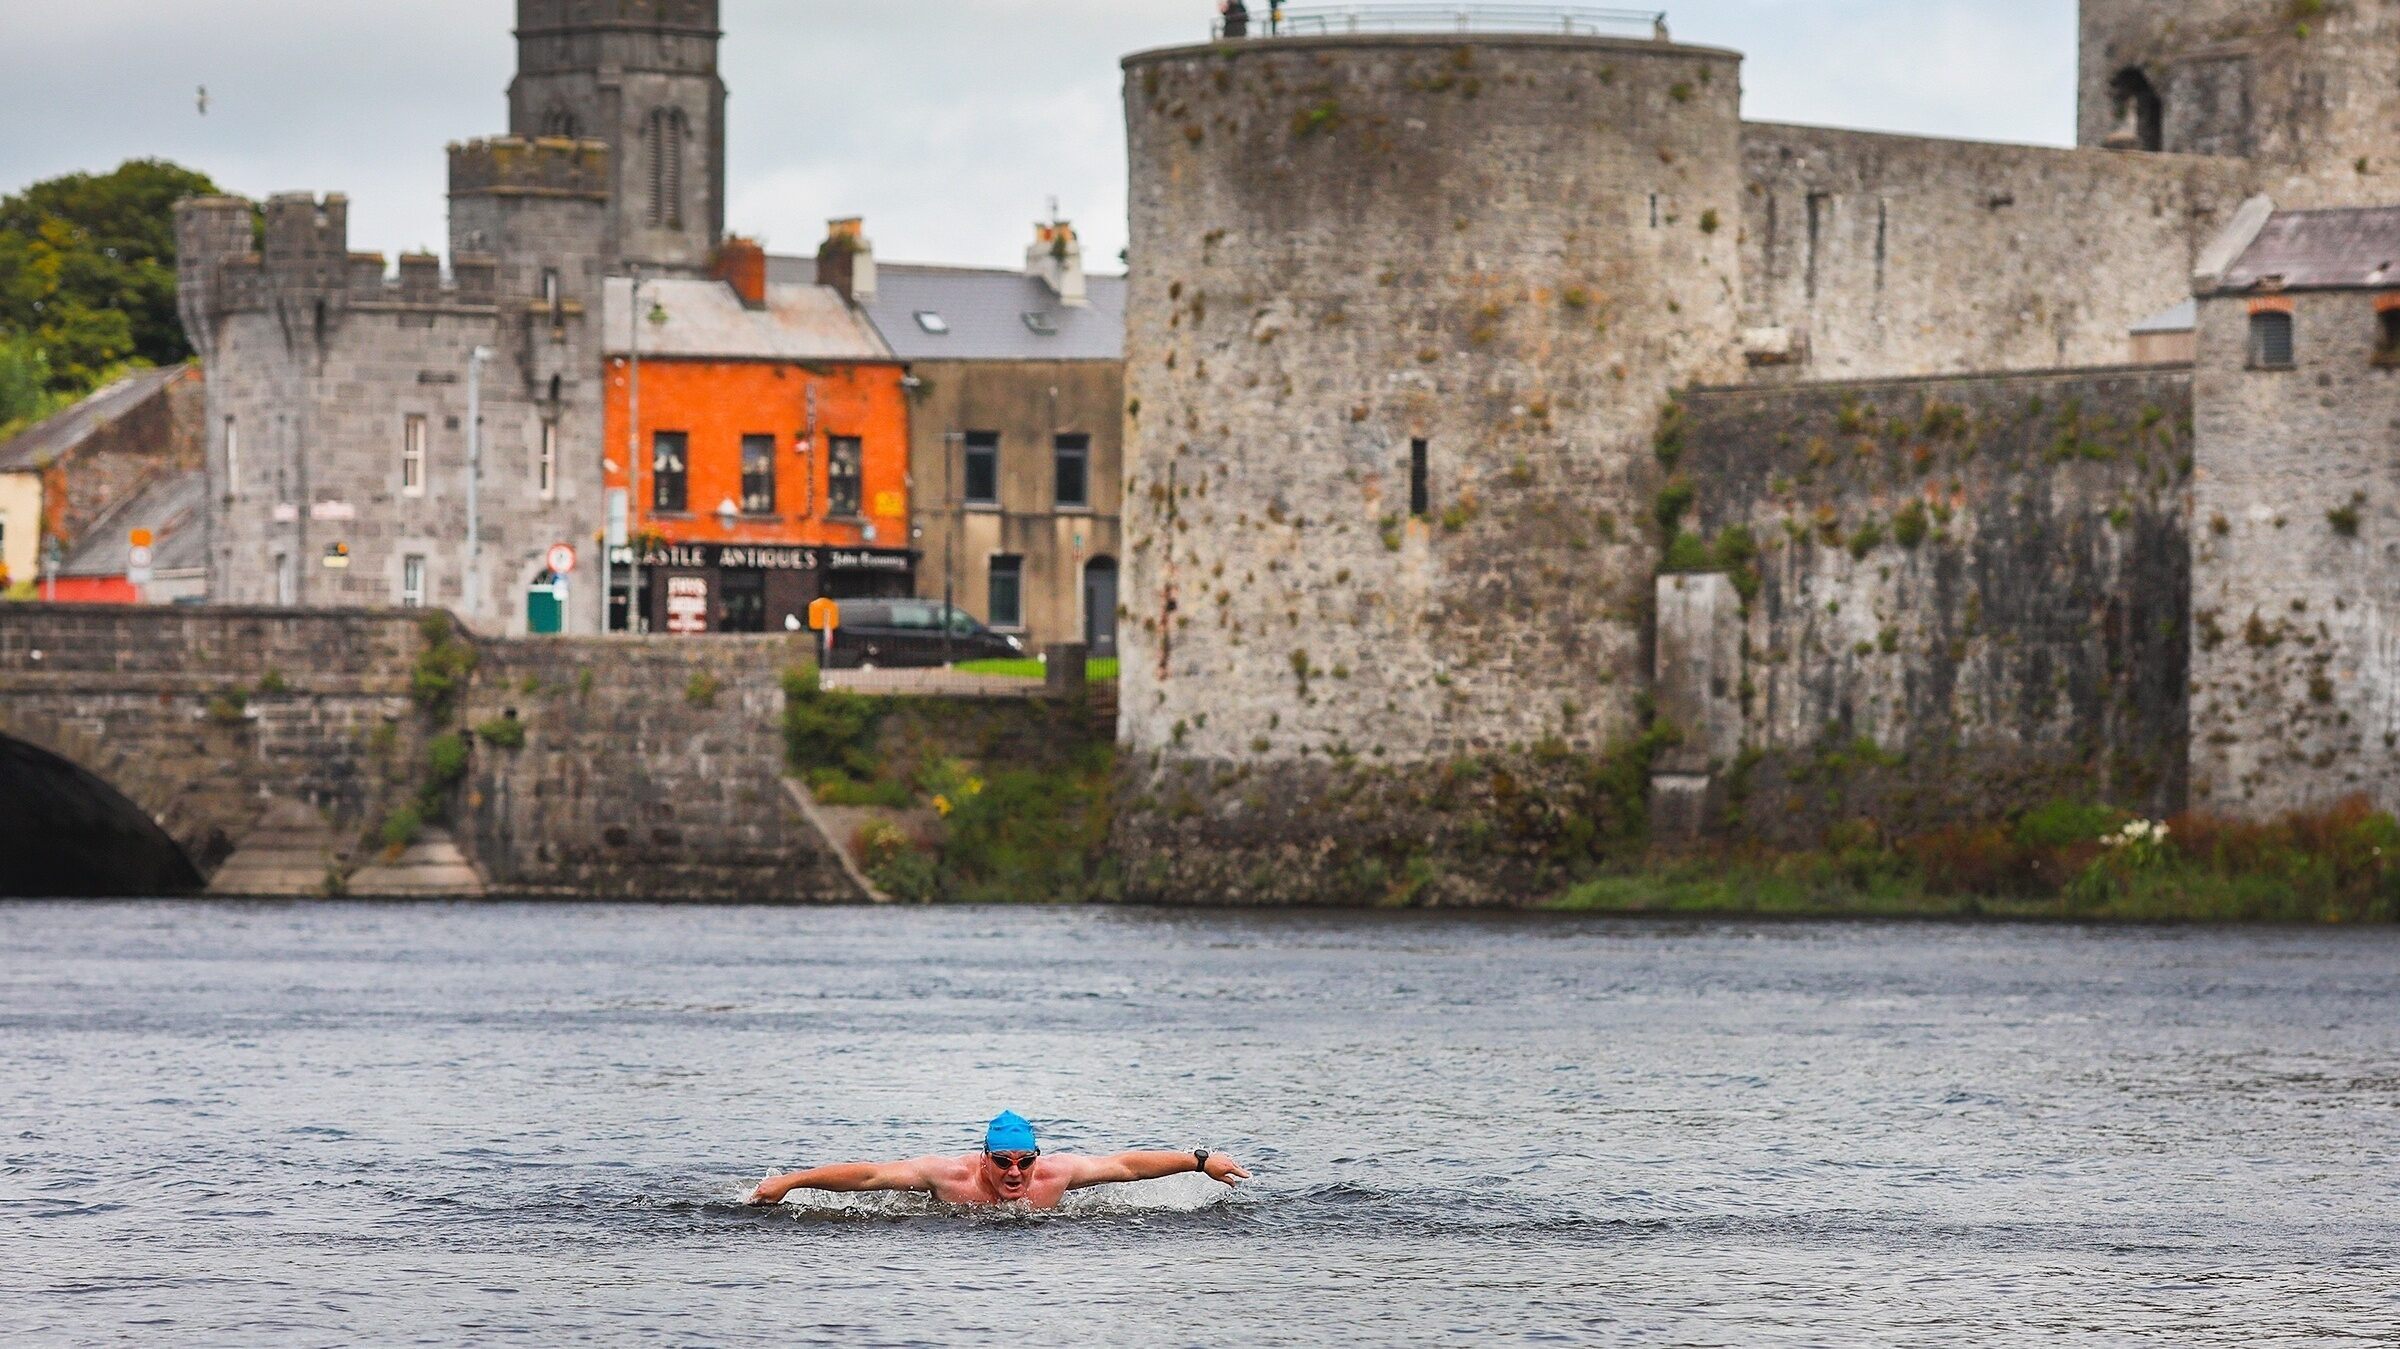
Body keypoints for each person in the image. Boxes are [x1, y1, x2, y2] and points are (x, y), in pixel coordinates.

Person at [747, 1110, 1252, 1210]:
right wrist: (793, 1181)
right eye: (1004, 1162)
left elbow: (1126, 1167)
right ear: (984, 1157)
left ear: (1037, 1158)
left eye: (1024, 1163)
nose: (1015, 1174)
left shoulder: (1056, 1175)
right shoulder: (949, 1177)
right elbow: (872, 1175)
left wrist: (1200, 1159)